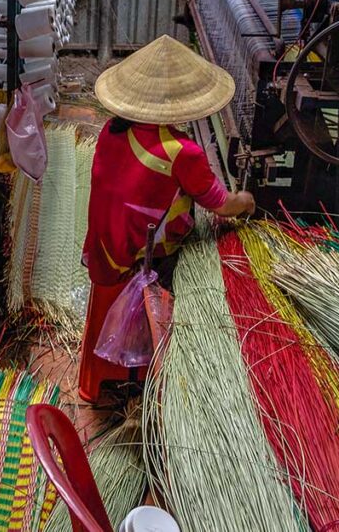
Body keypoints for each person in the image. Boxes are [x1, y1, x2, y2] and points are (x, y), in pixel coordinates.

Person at [79, 33, 255, 403]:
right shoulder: (182, 152)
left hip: (104, 241)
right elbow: (220, 205)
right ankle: (142, 373)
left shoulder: (113, 130)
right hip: (140, 255)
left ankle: (95, 377)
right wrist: (248, 201)